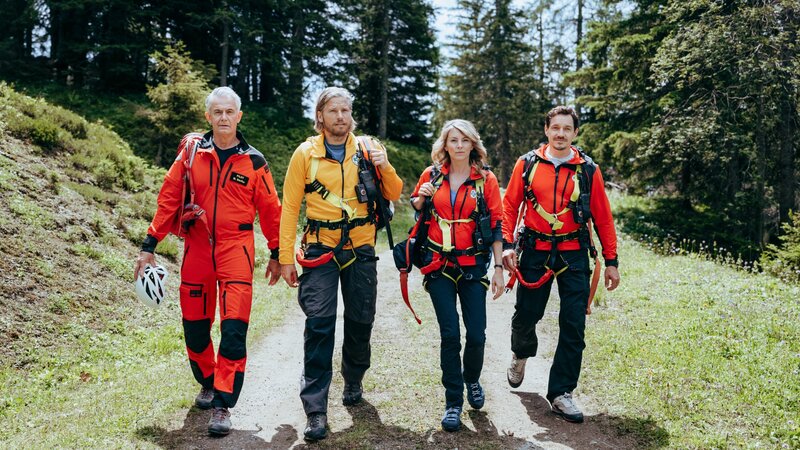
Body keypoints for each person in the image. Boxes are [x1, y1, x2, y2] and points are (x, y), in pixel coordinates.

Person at [133, 86, 282, 436]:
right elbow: (169, 196)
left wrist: (278, 253)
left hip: (237, 251)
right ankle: (208, 381)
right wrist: (149, 244)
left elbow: (271, 210)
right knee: (195, 327)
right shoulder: (191, 154)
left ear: (239, 116)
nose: (224, 118)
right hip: (197, 249)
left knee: (233, 329)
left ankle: (222, 405)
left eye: (230, 112)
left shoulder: (254, 162)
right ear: (208, 117)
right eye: (218, 112)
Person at [279, 87, 403, 441]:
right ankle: (316, 409)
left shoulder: (368, 149)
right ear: (320, 116)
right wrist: (285, 257)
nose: (340, 117)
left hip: (361, 248)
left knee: (361, 319)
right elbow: (290, 207)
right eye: (333, 110)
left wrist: (385, 165)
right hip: (320, 249)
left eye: (346, 110)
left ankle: (354, 377)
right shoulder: (305, 154)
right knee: (319, 325)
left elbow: (394, 192)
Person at [501, 106, 620, 424]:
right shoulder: (527, 164)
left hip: (574, 253)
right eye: (555, 128)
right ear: (546, 130)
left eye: (567, 129)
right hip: (535, 250)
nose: (561, 134)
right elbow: (510, 206)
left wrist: (611, 261)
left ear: (575, 133)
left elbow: (603, 217)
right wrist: (507, 245)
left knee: (573, 324)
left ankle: (561, 393)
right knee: (527, 314)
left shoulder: (588, 170)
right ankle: (520, 354)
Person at [409, 119, 505, 432]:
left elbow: (497, 225)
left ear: (473, 144)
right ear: (445, 145)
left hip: (473, 265)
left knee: (476, 334)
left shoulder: (486, 179)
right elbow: (417, 207)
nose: (459, 145)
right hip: (439, 265)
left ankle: (472, 379)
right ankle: (453, 401)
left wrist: (499, 268)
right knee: (450, 334)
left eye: (465, 140)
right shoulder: (432, 174)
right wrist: (420, 197)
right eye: (454, 140)